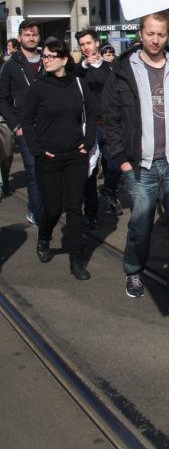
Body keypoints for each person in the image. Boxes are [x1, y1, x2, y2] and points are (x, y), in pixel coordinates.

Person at [103, 11, 169, 320]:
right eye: (150, 34)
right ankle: (134, 269)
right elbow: (110, 119)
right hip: (139, 165)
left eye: (161, 34)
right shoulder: (123, 69)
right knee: (140, 226)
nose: (156, 39)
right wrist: (121, 160)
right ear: (141, 34)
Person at [22, 39, 96, 280]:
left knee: (75, 208)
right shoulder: (38, 87)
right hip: (49, 157)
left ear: (64, 59)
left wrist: (87, 144)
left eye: (52, 56)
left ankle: (77, 260)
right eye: (44, 56)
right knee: (53, 207)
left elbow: (90, 117)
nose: (46, 59)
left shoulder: (78, 84)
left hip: (76, 156)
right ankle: (44, 237)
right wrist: (38, 150)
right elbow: (27, 122)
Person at [74, 28, 122, 226]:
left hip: (109, 125)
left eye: (88, 43)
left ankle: (109, 191)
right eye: (82, 44)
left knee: (115, 164)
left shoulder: (110, 68)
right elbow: (74, 76)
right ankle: (91, 212)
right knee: (89, 171)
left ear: (96, 43)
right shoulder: (79, 69)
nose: (86, 47)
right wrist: (85, 64)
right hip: (88, 126)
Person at [0, 20, 44, 226]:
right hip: (25, 127)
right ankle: (36, 212)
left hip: (49, 127)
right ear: (19, 38)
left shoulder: (49, 60)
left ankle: (39, 206)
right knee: (33, 170)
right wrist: (15, 125)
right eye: (27, 34)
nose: (31, 38)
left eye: (34, 34)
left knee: (48, 171)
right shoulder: (11, 65)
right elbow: (2, 98)